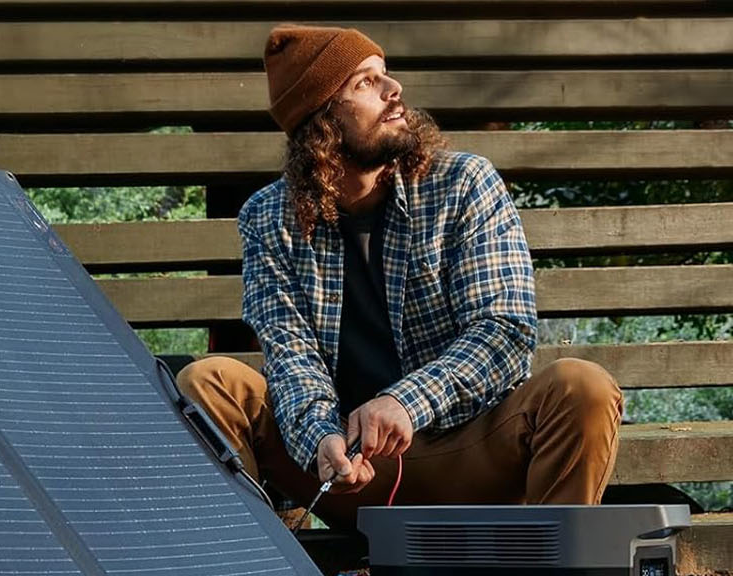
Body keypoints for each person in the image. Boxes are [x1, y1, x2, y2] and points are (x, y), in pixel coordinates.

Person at [177, 24, 623, 530]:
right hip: (350, 472)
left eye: (385, 75)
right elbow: (290, 355)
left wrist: (404, 402)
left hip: (468, 455)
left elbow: (503, 332)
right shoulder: (268, 218)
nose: (394, 92)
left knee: (582, 388)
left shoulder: (463, 183)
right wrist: (321, 438)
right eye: (365, 83)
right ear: (320, 121)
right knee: (207, 383)